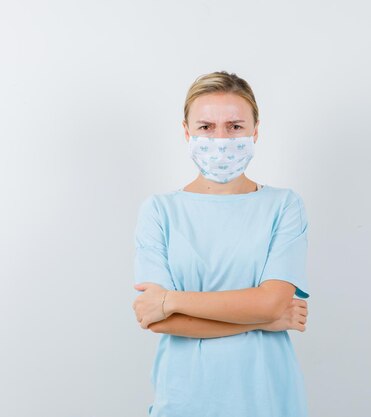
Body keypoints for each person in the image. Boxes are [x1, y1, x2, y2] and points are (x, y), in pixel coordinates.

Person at [131, 70, 311, 417]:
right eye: (206, 127)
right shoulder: (160, 211)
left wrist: (171, 300)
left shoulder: (284, 206)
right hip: (185, 400)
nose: (221, 138)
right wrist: (260, 319)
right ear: (186, 131)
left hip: (266, 399)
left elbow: (273, 303)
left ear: (256, 129)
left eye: (235, 126)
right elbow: (159, 321)